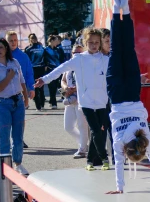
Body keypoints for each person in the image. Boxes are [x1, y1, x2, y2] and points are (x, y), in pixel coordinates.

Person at [107, 0, 150, 193]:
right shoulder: (120, 143)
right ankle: (118, 10)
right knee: (117, 50)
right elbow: (118, 165)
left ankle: (124, 10)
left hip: (133, 93)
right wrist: (119, 188)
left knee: (127, 49)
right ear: (127, 151)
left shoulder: (145, 138)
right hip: (117, 95)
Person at [35, 28, 110, 171]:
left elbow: (119, 74)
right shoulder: (79, 59)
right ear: (85, 43)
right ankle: (104, 157)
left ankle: (90, 161)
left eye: (96, 42)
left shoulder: (106, 60)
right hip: (85, 102)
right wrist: (44, 79)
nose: (94, 45)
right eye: (90, 42)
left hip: (102, 102)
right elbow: (59, 70)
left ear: (100, 43)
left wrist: (138, 78)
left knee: (99, 132)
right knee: (95, 129)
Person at [0, 38, 30, 176]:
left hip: (18, 102)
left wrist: (26, 97)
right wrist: (9, 76)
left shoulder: (14, 62)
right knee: (3, 135)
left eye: (0, 47)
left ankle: (18, 163)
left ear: (6, 48)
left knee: (18, 135)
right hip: (1, 104)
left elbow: (22, 80)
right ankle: (5, 167)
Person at [61, 44, 89, 158]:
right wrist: (66, 88)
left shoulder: (86, 65)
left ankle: (82, 149)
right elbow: (63, 80)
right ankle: (84, 143)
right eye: (74, 53)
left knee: (82, 125)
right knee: (68, 127)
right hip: (69, 99)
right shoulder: (68, 65)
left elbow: (88, 82)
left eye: (79, 53)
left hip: (81, 99)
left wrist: (75, 89)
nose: (76, 55)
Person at [25, 33, 46, 111]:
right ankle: (40, 105)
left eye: (33, 38)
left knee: (38, 87)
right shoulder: (30, 49)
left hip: (37, 69)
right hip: (37, 69)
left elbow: (45, 56)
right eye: (32, 38)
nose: (33, 40)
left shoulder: (37, 48)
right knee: (38, 87)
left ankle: (40, 105)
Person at [44, 35, 62, 110]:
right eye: (55, 40)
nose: (57, 42)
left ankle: (52, 101)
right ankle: (54, 103)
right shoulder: (46, 50)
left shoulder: (58, 49)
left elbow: (61, 58)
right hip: (50, 70)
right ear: (51, 41)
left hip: (57, 70)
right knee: (51, 86)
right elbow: (44, 59)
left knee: (56, 86)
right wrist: (45, 66)